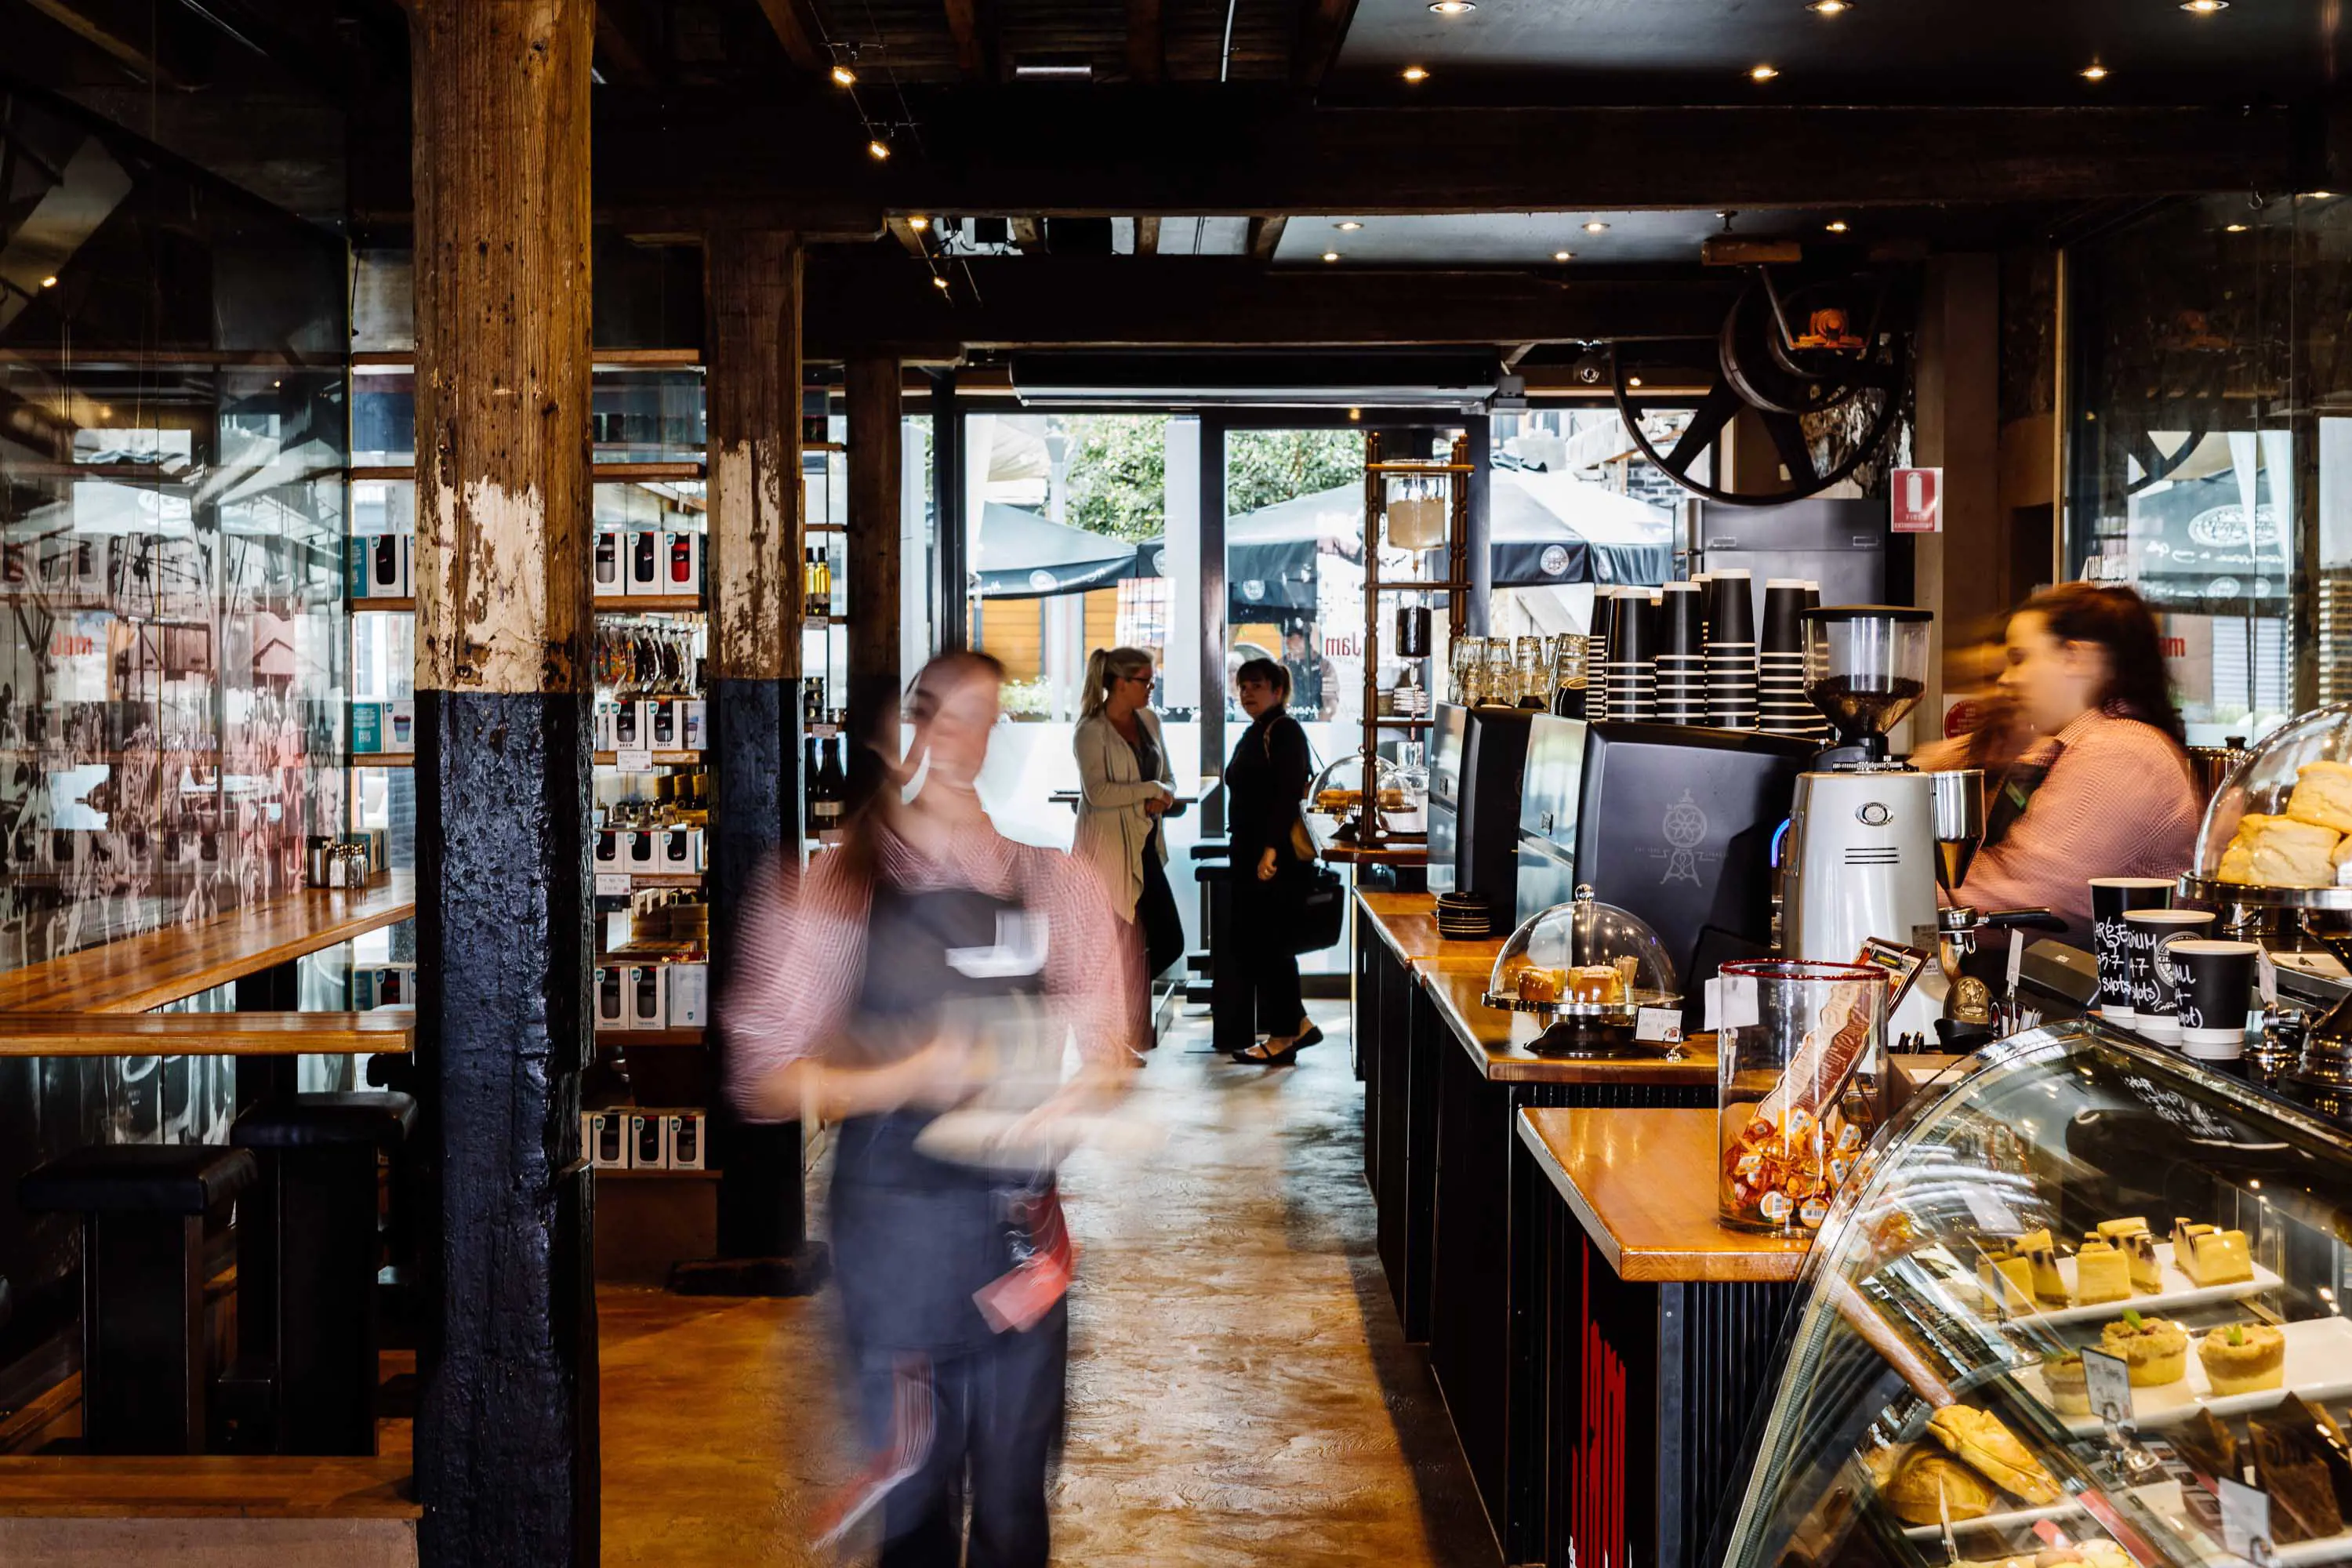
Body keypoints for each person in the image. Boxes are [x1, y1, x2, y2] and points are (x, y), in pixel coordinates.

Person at [725, 649, 1134, 1567]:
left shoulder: (1052, 881)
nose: (957, 735)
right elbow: (763, 1072)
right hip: (896, 1246)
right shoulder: (836, 889)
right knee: (914, 1501)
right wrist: (905, 1073)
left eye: (980, 715)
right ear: (896, 733)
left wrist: (1064, 1106)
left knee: (1015, 1504)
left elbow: (1109, 1050)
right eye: (935, 713)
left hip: (1021, 1242)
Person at [1915, 582, 2200, 945]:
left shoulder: (2122, 751)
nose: (2006, 679)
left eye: (2020, 659)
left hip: (2111, 980)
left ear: (2074, 657)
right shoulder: (2063, 745)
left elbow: (2026, 895)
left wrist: (1891, 888)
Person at [1072, 647, 1183, 1045]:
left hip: (1144, 843)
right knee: (1118, 942)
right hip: (1107, 849)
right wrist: (1149, 791)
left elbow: (1169, 779)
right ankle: (1112, 1034)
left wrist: (1163, 795)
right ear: (1120, 683)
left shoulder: (1149, 721)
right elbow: (1098, 793)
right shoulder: (1090, 731)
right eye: (1145, 681)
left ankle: (1113, 1012)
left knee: (1167, 940)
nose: (1152, 688)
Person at [1222, 656, 1323, 1065]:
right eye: (1243, 686)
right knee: (1263, 942)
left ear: (1277, 690)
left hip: (1273, 857)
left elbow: (1286, 795)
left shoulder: (1284, 730)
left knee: (1269, 942)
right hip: (1252, 850)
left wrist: (1270, 849)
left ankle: (1284, 1035)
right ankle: (1296, 1023)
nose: (1247, 693)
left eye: (1257, 686)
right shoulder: (1258, 730)